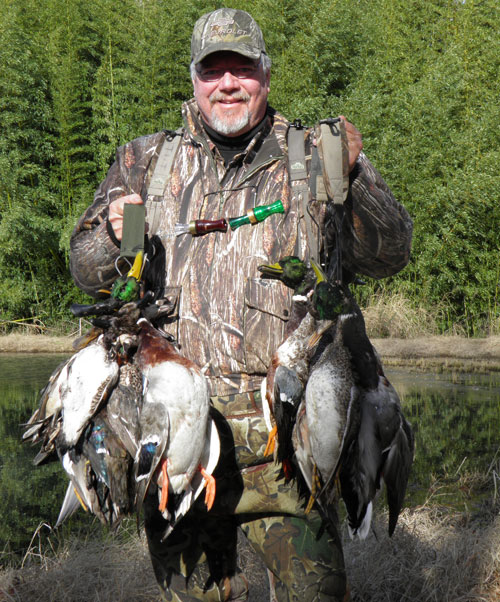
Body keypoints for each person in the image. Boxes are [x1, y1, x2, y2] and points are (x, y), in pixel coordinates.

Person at [70, 8, 412, 601]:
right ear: (195, 80)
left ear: (265, 76)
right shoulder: (146, 162)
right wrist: (110, 232)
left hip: (293, 447)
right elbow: (87, 273)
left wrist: (356, 180)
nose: (228, 83)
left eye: (242, 68)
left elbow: (390, 254)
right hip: (182, 444)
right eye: (214, 69)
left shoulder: (315, 156)